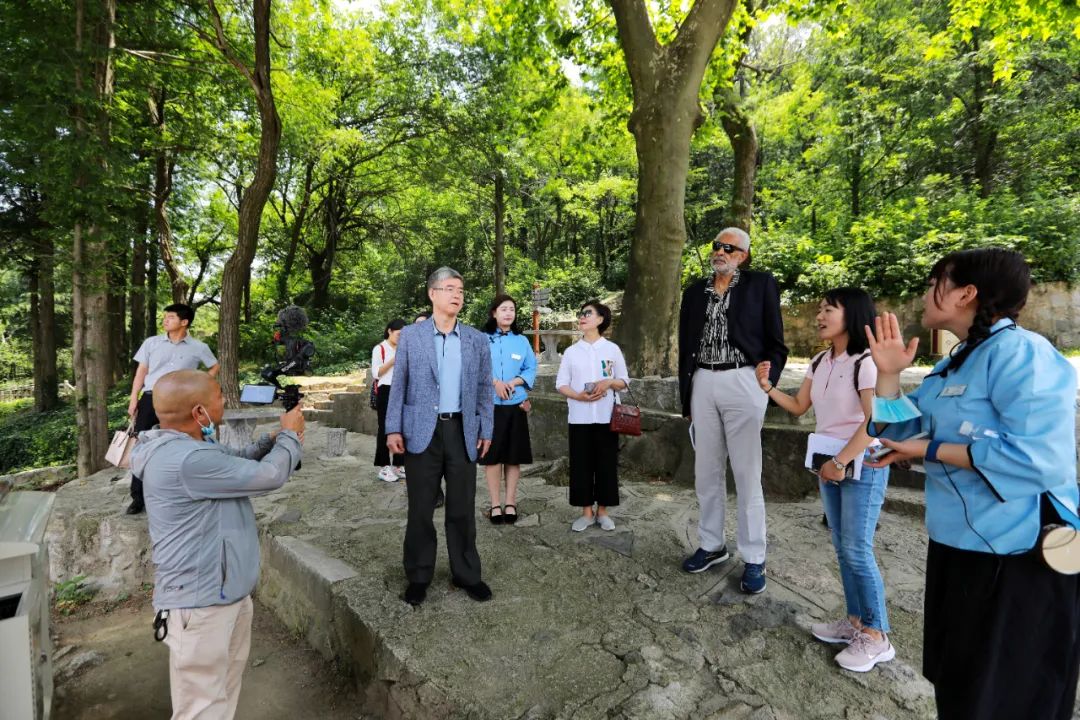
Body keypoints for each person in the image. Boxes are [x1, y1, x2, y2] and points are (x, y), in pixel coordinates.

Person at [865, 248, 1080, 719]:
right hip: (960, 548)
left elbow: (1039, 460)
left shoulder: (1022, 353)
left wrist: (930, 451)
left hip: (1022, 558)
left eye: (935, 281)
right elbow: (900, 429)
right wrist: (887, 375)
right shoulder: (958, 363)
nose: (925, 293)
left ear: (967, 293)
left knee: (1010, 693)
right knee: (962, 685)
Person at [129, 370, 303, 720]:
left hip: (223, 593)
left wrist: (271, 439)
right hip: (202, 601)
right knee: (202, 707)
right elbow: (269, 476)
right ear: (199, 413)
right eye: (219, 396)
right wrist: (290, 436)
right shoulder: (189, 460)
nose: (224, 400)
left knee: (221, 692)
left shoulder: (188, 446)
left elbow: (235, 457)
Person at [755, 288, 894, 672]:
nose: (819, 315)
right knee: (842, 545)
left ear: (851, 315)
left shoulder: (866, 363)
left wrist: (840, 460)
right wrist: (768, 388)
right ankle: (854, 623)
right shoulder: (819, 360)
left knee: (858, 549)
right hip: (830, 463)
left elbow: (876, 422)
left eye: (827, 309)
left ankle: (878, 635)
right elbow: (801, 408)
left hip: (860, 463)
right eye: (819, 309)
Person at [678, 227, 788, 594]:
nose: (719, 252)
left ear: (743, 254)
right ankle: (712, 545)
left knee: (746, 472)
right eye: (716, 246)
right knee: (706, 471)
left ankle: (754, 556)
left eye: (728, 248)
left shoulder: (759, 284)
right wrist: (686, 399)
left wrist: (768, 374)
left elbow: (776, 341)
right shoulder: (694, 292)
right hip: (703, 381)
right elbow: (683, 349)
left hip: (744, 380)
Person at [386, 267, 495, 606]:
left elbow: (483, 389)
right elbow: (399, 383)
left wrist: (486, 428)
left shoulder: (477, 339)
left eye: (460, 289)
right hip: (421, 430)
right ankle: (418, 575)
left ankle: (467, 574)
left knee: (462, 507)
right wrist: (392, 427)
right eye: (449, 288)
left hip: (462, 430)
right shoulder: (412, 338)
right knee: (420, 508)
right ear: (432, 294)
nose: (457, 294)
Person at [126, 303, 220, 515]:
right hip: (150, 399)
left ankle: (183, 493)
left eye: (170, 317)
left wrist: (201, 383)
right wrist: (134, 399)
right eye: (165, 317)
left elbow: (214, 366)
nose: (165, 320)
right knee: (141, 444)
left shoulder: (198, 347)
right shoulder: (151, 343)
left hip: (182, 402)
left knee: (184, 444)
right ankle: (138, 498)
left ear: (184, 322)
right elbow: (141, 372)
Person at [555, 300, 630, 532]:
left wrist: (608, 382)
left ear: (600, 320)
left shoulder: (612, 349)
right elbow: (561, 384)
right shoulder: (571, 352)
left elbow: (624, 382)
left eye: (588, 313)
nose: (583, 317)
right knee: (581, 466)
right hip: (579, 418)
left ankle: (603, 512)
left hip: (607, 417)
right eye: (581, 313)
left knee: (606, 465)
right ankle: (586, 513)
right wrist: (578, 396)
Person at [479, 295, 537, 524]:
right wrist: (495, 383)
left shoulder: (521, 341)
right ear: (494, 313)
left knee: (513, 457)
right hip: (491, 405)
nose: (508, 313)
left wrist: (514, 382)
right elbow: (475, 367)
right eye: (503, 309)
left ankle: (511, 502)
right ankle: (495, 504)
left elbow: (531, 367)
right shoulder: (482, 339)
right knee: (492, 458)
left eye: (512, 309)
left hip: (516, 405)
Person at [372, 319, 407, 482]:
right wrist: (394, 360)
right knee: (385, 428)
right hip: (385, 390)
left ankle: (399, 465)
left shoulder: (404, 348)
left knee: (402, 427)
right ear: (390, 331)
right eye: (399, 334)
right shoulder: (379, 349)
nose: (401, 338)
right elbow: (377, 373)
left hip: (402, 389)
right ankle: (384, 466)